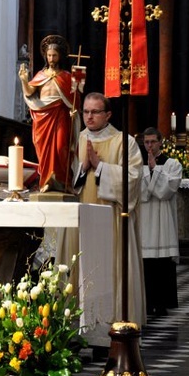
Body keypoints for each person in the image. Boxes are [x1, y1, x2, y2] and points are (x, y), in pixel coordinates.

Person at [72, 92, 145, 329]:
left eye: (95, 112)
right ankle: (80, 323)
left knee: (111, 269)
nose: (89, 117)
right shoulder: (76, 139)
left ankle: (112, 324)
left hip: (113, 221)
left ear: (108, 114)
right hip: (83, 220)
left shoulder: (124, 141)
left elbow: (133, 179)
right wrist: (83, 169)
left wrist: (100, 167)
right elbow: (64, 181)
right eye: (85, 112)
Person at [18, 34, 83, 192]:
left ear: (60, 56)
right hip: (43, 117)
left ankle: (63, 181)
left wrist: (74, 111)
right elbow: (29, 93)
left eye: (54, 55)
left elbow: (76, 99)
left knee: (61, 147)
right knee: (44, 150)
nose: (51, 58)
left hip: (61, 114)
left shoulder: (67, 76)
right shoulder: (41, 75)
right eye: (49, 55)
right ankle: (47, 180)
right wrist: (24, 80)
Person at [139, 128, 182, 316]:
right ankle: (147, 302)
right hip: (145, 220)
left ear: (160, 142)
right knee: (146, 262)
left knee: (163, 262)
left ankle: (163, 303)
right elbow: (140, 194)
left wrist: (154, 170)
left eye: (152, 142)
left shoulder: (173, 164)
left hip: (164, 220)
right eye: (146, 142)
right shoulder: (137, 165)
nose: (149, 146)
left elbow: (166, 191)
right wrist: (149, 171)